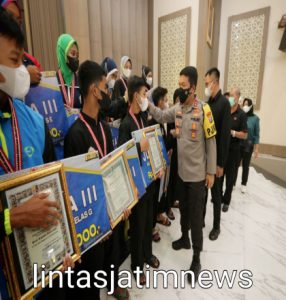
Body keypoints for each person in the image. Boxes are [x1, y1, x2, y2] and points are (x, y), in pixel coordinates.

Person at [0, 10, 73, 299]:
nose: (22, 70)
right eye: (14, 60)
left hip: (41, 275)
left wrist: (61, 225)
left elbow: (46, 187)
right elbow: (16, 217)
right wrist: (11, 218)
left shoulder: (33, 122)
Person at [64, 60, 130, 300]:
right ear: (94, 90)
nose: (108, 93)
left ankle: (112, 284)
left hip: (112, 210)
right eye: (105, 87)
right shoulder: (76, 134)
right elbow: (76, 190)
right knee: (91, 274)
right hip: (92, 219)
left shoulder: (104, 127)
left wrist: (122, 202)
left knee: (112, 256)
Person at [148, 66, 217, 282]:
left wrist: (211, 172)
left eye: (183, 86)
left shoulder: (204, 109)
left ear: (193, 88)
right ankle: (185, 239)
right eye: (179, 85)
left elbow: (211, 141)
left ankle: (196, 256)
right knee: (184, 211)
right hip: (182, 175)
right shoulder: (177, 109)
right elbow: (159, 115)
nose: (180, 89)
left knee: (196, 218)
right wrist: (146, 104)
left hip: (197, 177)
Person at [118, 76, 160, 285]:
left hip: (149, 178)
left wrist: (158, 165)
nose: (146, 98)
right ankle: (136, 266)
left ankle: (147, 254)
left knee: (148, 221)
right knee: (137, 225)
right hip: (136, 184)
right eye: (144, 94)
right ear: (135, 95)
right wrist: (137, 148)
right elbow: (122, 156)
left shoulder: (144, 119)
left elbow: (151, 145)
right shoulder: (126, 124)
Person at [203, 68, 231, 241]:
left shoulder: (224, 104)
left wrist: (220, 164)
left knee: (216, 195)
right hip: (205, 158)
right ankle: (202, 220)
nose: (206, 86)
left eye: (207, 83)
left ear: (216, 82)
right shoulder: (208, 103)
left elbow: (225, 136)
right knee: (204, 192)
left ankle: (216, 226)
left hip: (217, 160)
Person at [149, 87, 174, 242]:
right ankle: (152, 226)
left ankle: (158, 214)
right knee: (154, 194)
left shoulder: (165, 118)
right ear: (158, 101)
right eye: (164, 99)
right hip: (154, 166)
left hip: (163, 163)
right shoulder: (151, 120)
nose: (166, 102)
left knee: (161, 191)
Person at [1, 0, 42, 85]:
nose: (15, 27)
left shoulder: (32, 61)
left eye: (19, 22)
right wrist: (25, 76)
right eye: (10, 19)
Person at [222, 87, 248, 212]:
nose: (231, 98)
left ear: (237, 97)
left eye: (233, 95)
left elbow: (245, 134)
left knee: (230, 177)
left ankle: (226, 200)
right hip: (223, 149)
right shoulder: (226, 110)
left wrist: (232, 132)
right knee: (220, 175)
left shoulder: (242, 114)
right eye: (230, 95)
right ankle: (219, 197)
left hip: (234, 150)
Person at [235, 98, 260, 194]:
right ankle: (232, 183)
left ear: (250, 106)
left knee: (245, 165)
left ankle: (243, 184)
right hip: (238, 143)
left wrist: (256, 149)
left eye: (246, 104)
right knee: (235, 165)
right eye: (243, 104)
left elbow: (257, 135)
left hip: (248, 145)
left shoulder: (255, 119)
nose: (244, 106)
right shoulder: (241, 116)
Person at [56, 33, 81, 110]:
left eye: (77, 55)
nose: (76, 58)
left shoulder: (80, 81)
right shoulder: (53, 81)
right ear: (62, 53)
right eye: (73, 54)